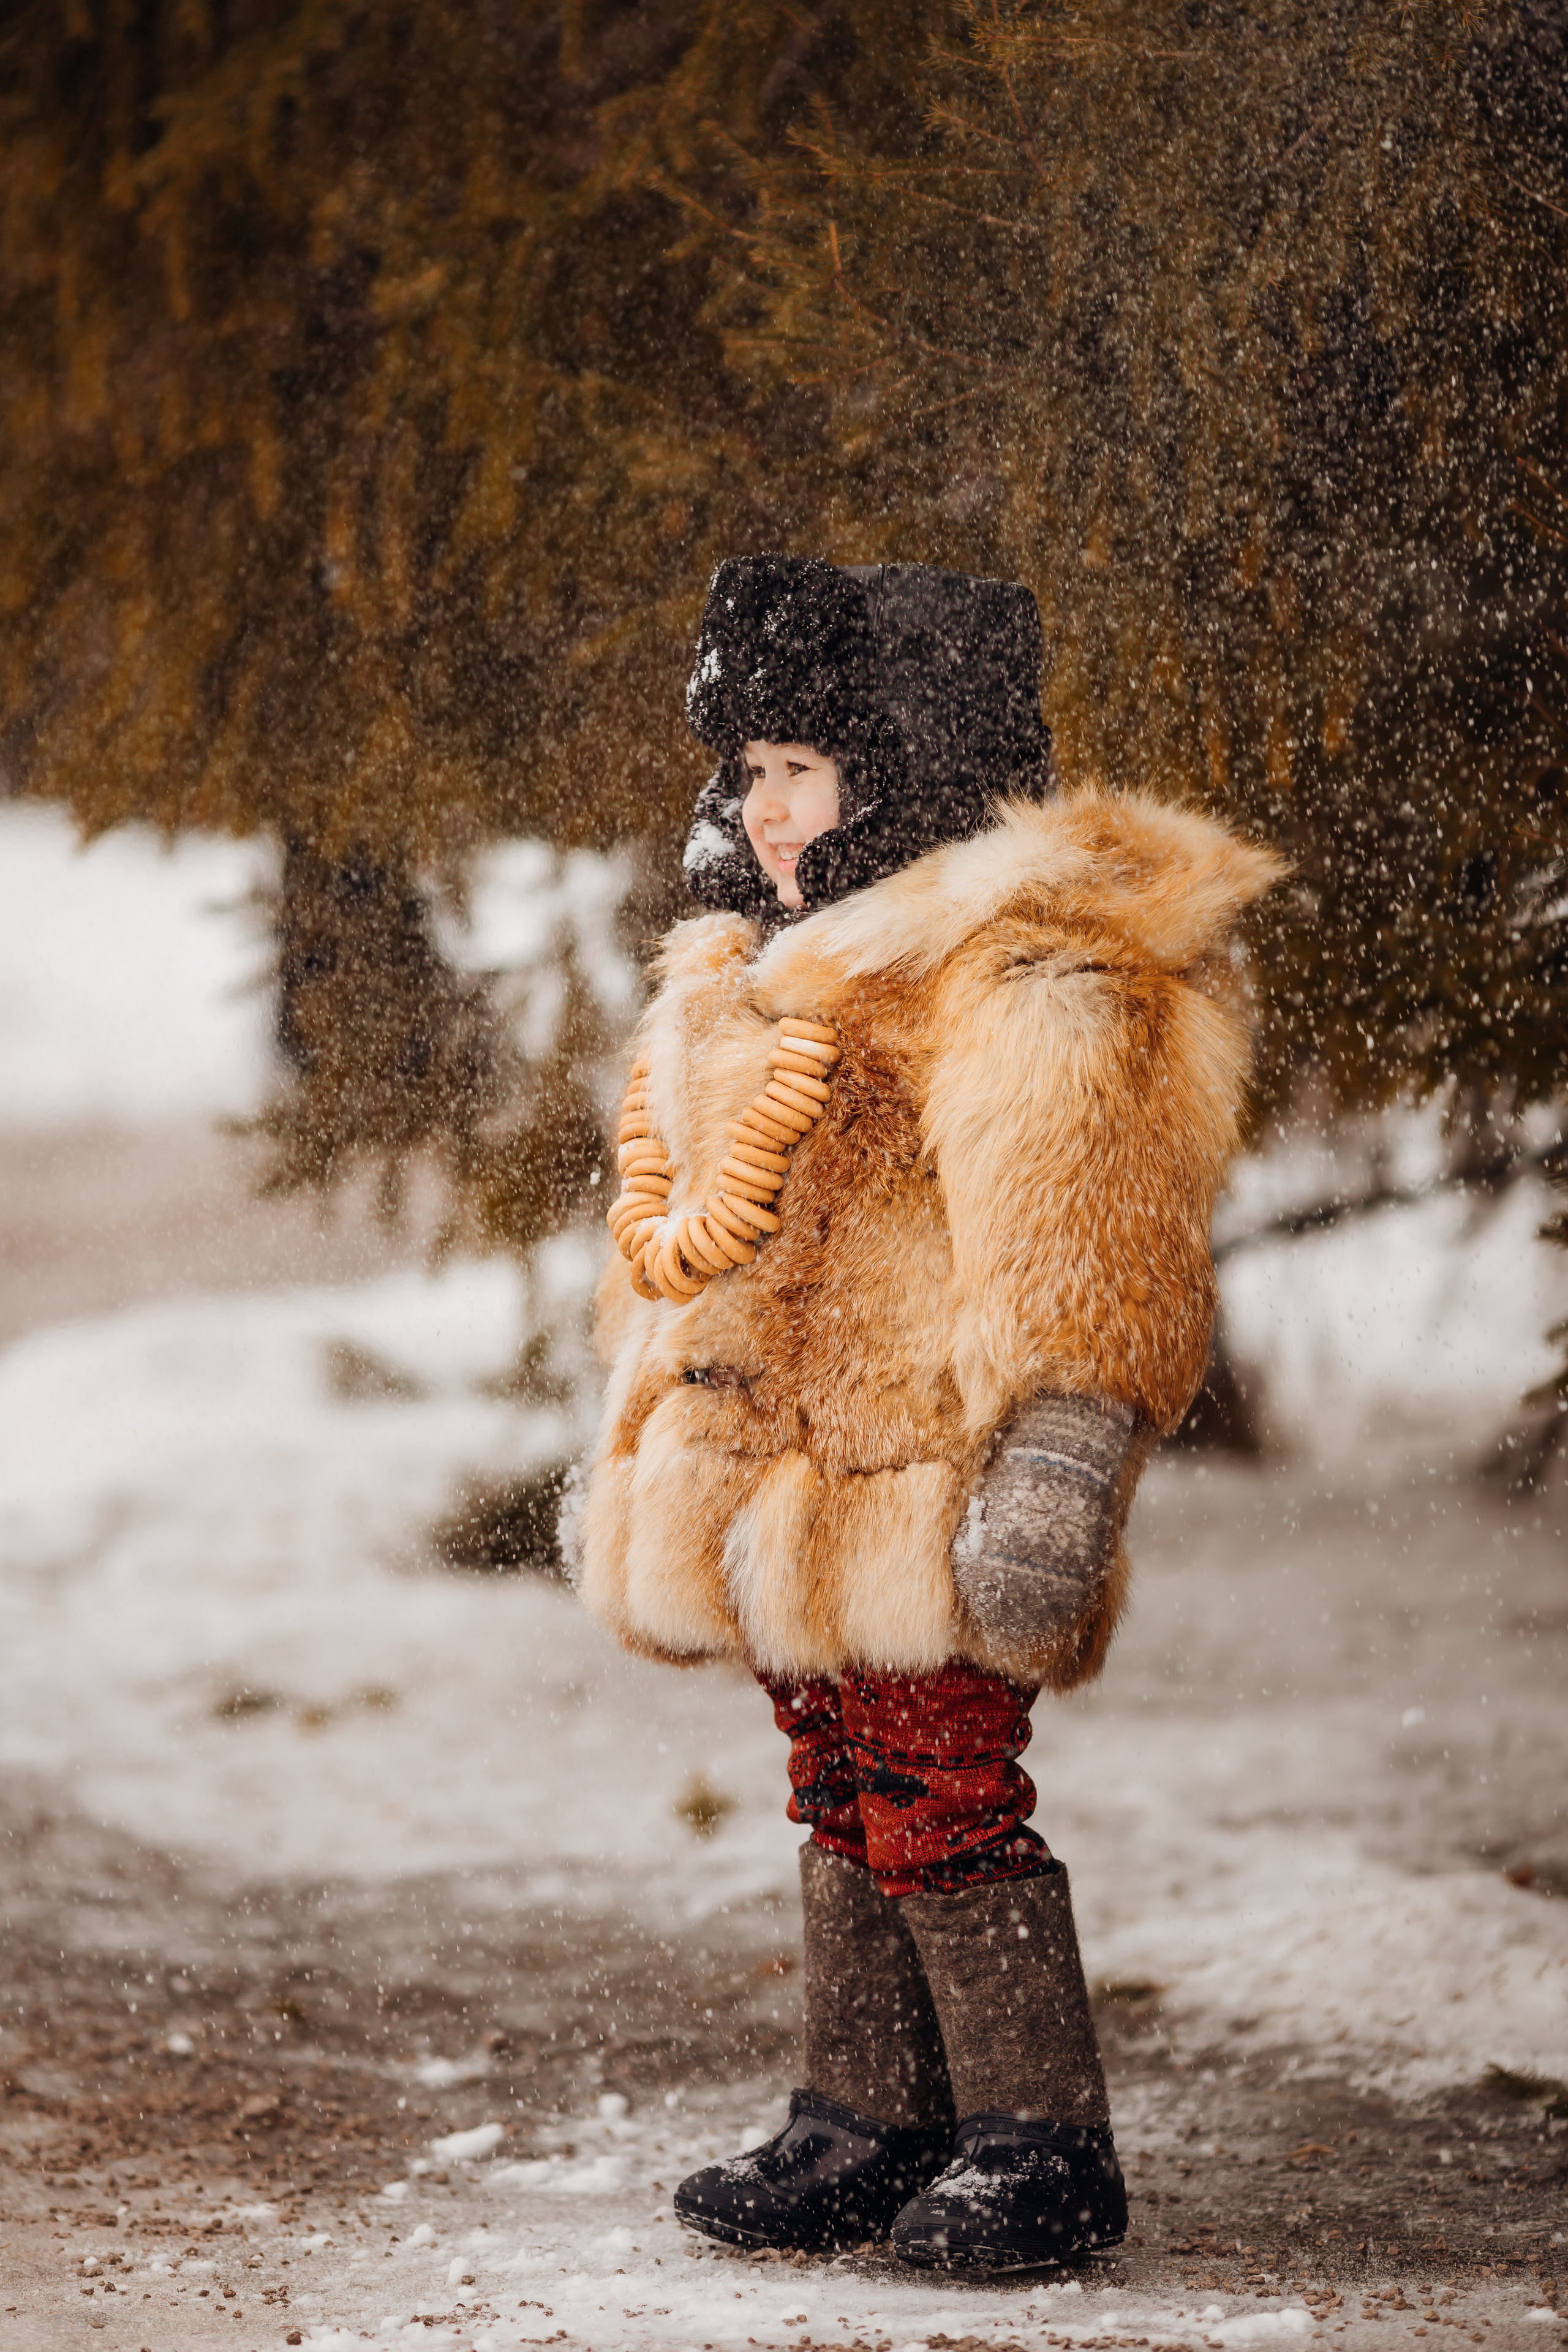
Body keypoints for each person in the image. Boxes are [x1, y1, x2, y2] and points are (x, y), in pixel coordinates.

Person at [571, 554, 1281, 2271]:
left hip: (922, 1473)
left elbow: (1084, 1254)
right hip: (782, 1472)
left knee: (944, 1786)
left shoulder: (1026, 978)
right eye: (746, 777)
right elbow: (681, 1250)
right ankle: (868, 2114)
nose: (766, 812)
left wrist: (1057, 1458)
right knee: (834, 1781)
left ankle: (1041, 2139)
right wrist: (642, 1424)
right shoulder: (752, 976)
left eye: (799, 771)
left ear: (902, 774)